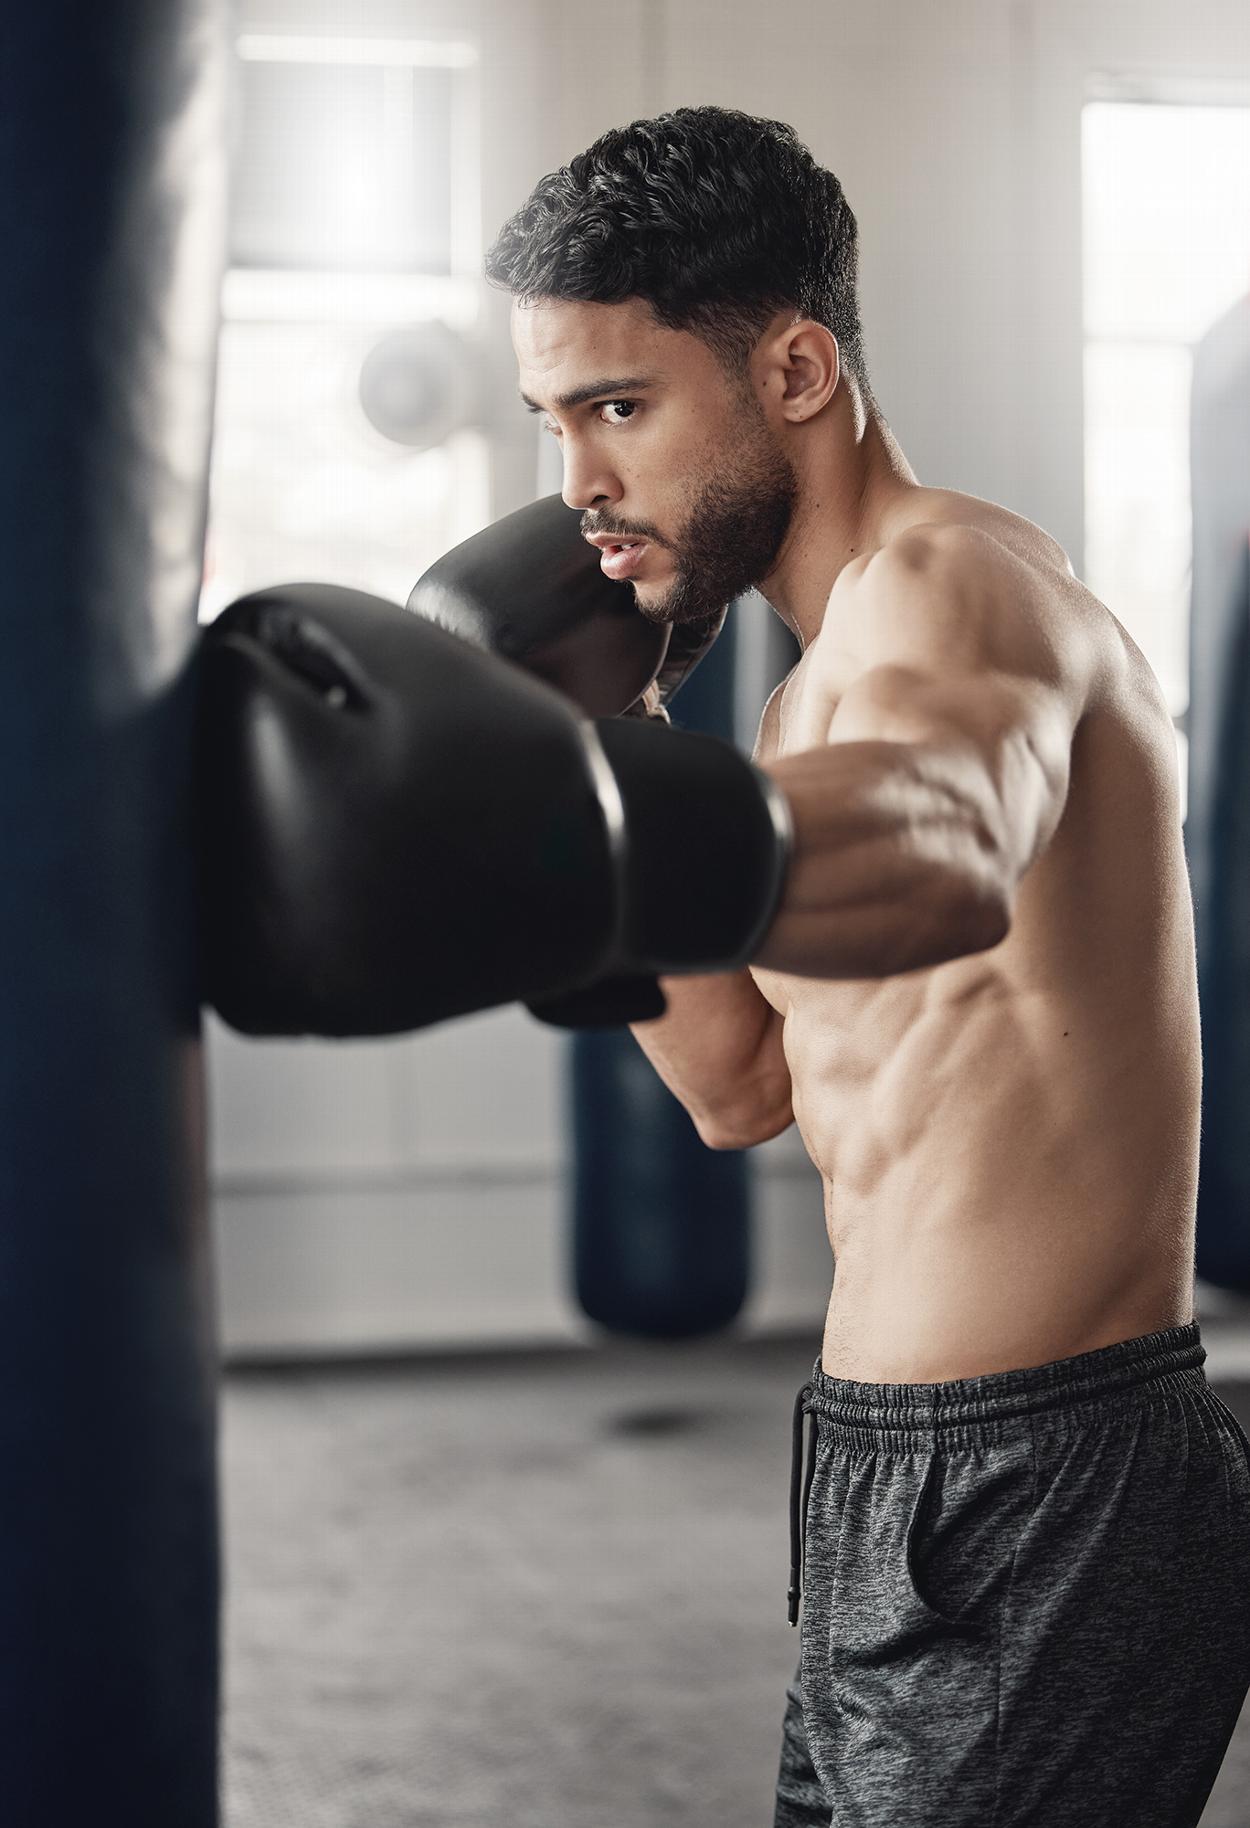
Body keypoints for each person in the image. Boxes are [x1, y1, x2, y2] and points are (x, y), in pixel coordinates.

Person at [483, 104, 1250, 1827]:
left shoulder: (960, 591)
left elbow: (944, 842)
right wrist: (600, 745)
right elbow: (739, 1088)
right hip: (877, 1461)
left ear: (798, 370)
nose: (578, 490)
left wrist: (596, 830)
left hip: (1046, 1466)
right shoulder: (788, 701)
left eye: (618, 408)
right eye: (552, 425)